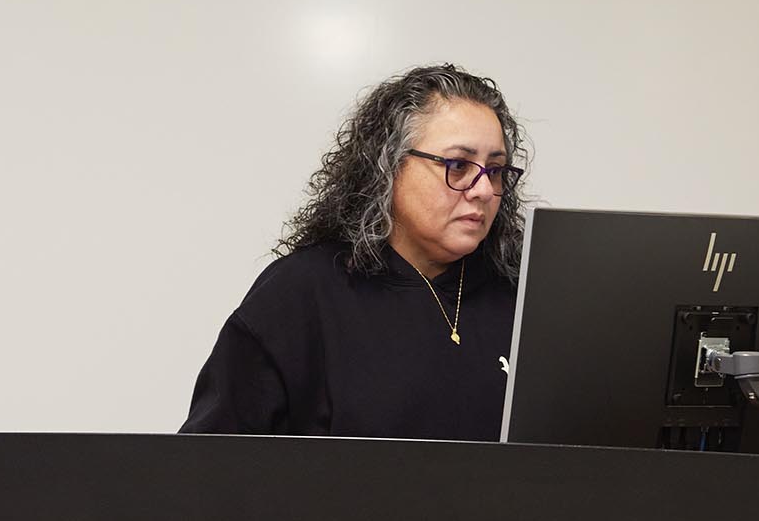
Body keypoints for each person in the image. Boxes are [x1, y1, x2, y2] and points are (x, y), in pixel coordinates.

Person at [179, 64, 531, 440]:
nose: (481, 190)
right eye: (458, 166)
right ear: (388, 166)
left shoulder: (524, 298)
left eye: (494, 171)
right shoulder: (300, 294)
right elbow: (207, 469)